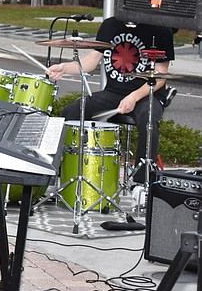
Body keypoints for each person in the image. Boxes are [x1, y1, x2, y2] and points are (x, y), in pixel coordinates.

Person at [46, 17, 174, 183]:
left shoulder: (161, 29)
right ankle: (62, 174)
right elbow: (90, 63)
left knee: (148, 121)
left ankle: (142, 184)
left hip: (147, 94)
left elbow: (160, 77)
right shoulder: (111, 25)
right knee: (71, 111)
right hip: (113, 92)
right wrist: (64, 68)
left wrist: (134, 97)